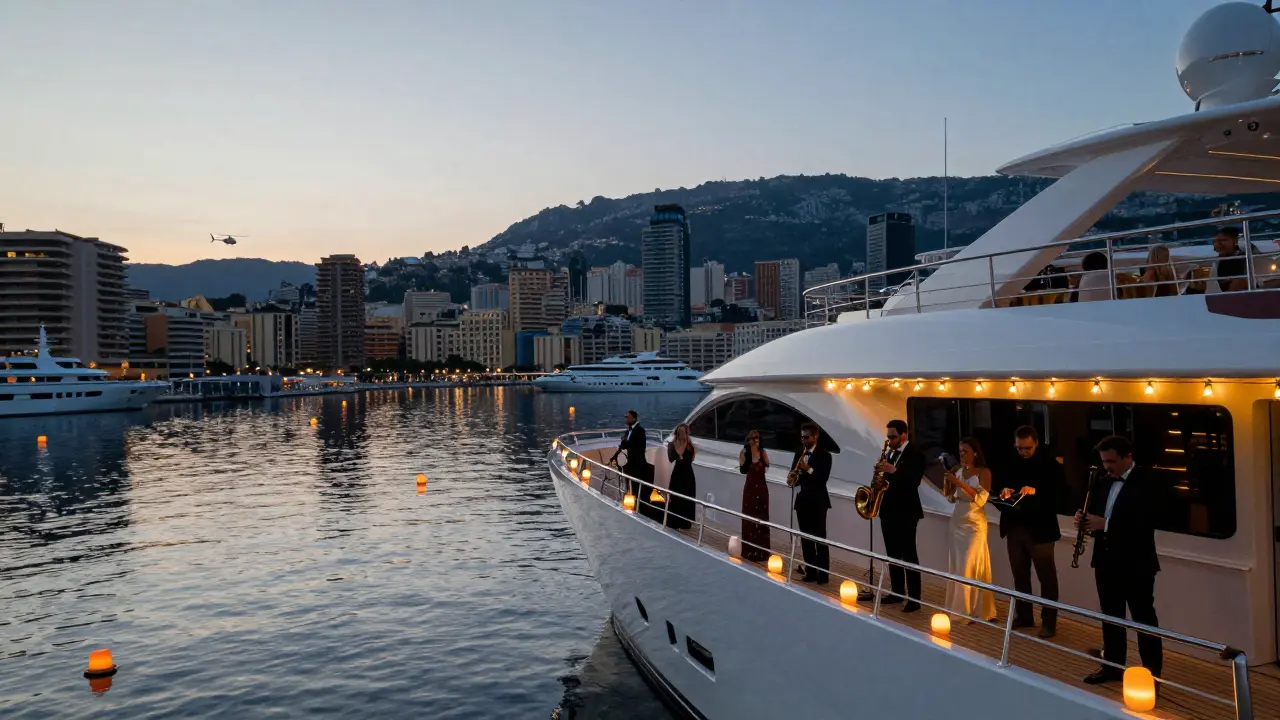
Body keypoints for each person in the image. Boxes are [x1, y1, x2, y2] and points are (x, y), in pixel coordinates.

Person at [1075, 435, 1164, 685]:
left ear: (1128, 458)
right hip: (1105, 562)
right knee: (1111, 617)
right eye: (1104, 461)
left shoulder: (1147, 481)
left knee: (1144, 621)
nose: (1107, 467)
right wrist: (1086, 522)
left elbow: (1148, 521)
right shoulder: (1102, 483)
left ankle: (1152, 676)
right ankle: (1113, 668)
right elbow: (1099, 522)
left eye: (1112, 461)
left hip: (1137, 564)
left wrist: (1107, 524)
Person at [995, 426, 1064, 639]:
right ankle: (1024, 616)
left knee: (1047, 577)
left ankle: (1048, 622)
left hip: (1040, 529)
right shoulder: (1010, 462)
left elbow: (1062, 496)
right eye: (1019, 448)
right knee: (1020, 575)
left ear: (1036, 444)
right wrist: (1003, 493)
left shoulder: (1050, 465)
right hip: (1014, 526)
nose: (1023, 452)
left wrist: (1036, 492)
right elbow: (999, 487)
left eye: (1027, 448)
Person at [939, 438, 997, 623]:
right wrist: (948, 480)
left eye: (965, 451)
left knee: (970, 563)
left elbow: (980, 499)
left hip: (975, 523)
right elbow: (949, 497)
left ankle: (975, 609)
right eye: (960, 451)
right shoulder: (957, 470)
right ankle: (959, 608)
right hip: (957, 520)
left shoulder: (984, 472)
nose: (962, 455)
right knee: (958, 564)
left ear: (975, 453)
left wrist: (959, 482)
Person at [875, 419, 925, 611]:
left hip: (906, 510)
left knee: (909, 554)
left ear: (904, 434)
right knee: (892, 552)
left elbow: (913, 482)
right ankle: (896, 592)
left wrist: (893, 470)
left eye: (893, 437)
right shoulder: (889, 453)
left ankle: (914, 599)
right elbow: (890, 481)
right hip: (888, 508)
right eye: (888, 437)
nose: (889, 440)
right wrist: (880, 478)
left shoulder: (916, 454)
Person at [791, 422, 832, 584]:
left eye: (806, 437)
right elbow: (795, 476)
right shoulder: (799, 452)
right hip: (803, 500)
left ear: (815, 437)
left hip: (818, 501)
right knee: (805, 538)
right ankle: (810, 571)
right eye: (802, 437)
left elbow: (822, 479)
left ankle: (823, 575)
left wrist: (807, 468)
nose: (803, 441)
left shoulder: (825, 455)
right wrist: (794, 476)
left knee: (820, 538)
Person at [737, 430, 771, 562]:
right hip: (751, 488)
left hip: (761, 487)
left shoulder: (762, 452)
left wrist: (763, 457)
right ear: (748, 440)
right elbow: (742, 470)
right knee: (750, 517)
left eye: (757, 438)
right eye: (752, 438)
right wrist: (743, 458)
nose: (755, 441)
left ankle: (762, 551)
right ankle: (749, 550)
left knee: (762, 516)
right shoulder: (744, 452)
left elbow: (767, 466)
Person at [615, 410, 654, 515]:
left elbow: (638, 446)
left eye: (627, 417)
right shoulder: (628, 431)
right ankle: (631, 506)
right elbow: (625, 444)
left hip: (638, 464)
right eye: (625, 417)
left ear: (634, 418)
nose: (626, 419)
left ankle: (639, 509)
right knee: (630, 486)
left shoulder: (640, 431)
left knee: (636, 487)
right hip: (630, 463)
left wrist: (626, 443)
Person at [665, 424, 697, 530]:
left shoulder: (690, 446)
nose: (681, 435)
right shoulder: (672, 444)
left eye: (683, 432)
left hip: (688, 474)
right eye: (679, 432)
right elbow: (670, 458)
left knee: (687, 497)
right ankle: (674, 521)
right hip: (677, 473)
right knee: (675, 497)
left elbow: (690, 460)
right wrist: (677, 450)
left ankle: (685, 522)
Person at [1211, 226, 1260, 293]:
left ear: (1235, 241)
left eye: (1223, 240)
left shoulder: (1241, 258)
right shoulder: (1220, 261)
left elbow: (1240, 282)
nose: (1218, 244)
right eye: (1215, 241)